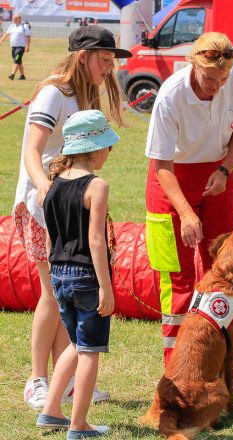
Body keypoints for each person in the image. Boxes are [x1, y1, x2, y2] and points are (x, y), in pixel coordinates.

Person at [12, 25, 131, 410]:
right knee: (53, 292)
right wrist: (47, 190)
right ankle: (37, 381)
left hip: (68, 203)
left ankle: (68, 381)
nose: (109, 69)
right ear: (84, 57)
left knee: (68, 295)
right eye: (105, 60)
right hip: (44, 205)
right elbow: (32, 150)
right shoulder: (54, 93)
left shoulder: (84, 94)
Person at [145, 31, 233, 365]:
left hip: (217, 176)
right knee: (178, 276)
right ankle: (177, 364)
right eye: (211, 78)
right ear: (192, 64)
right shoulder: (170, 95)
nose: (218, 86)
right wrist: (185, 212)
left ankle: (221, 359)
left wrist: (224, 170)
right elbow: (161, 164)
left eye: (223, 78)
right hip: (172, 180)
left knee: (226, 271)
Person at [36, 109, 119, 438]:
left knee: (75, 342)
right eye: (108, 148)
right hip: (87, 276)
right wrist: (106, 287)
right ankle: (78, 424)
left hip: (59, 274)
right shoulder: (96, 186)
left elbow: (49, 237)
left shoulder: (54, 184)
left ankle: (51, 411)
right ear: (98, 148)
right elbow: (96, 241)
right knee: (90, 351)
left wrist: (57, 271)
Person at [0, 14, 31, 80]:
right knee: (18, 62)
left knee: (16, 60)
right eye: (13, 18)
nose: (13, 20)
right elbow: (7, 34)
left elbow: (28, 37)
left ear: (19, 19)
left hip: (21, 47)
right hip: (13, 47)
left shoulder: (24, 26)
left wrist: (27, 46)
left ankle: (12, 75)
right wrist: (1, 40)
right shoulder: (12, 26)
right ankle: (22, 76)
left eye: (15, 18)